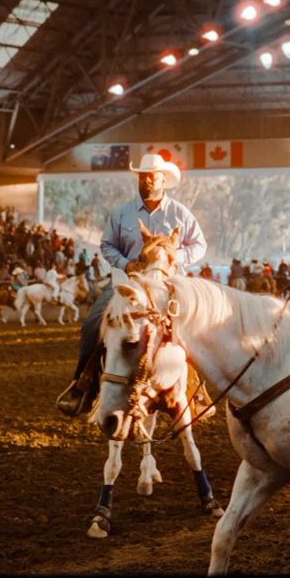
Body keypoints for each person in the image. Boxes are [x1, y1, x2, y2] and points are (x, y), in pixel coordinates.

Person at [56, 153, 207, 417]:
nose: (146, 181)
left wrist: (174, 257)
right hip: (127, 283)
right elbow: (106, 245)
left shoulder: (180, 213)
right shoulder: (122, 213)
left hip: (167, 285)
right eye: (142, 176)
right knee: (93, 326)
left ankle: (196, 390)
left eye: (151, 177)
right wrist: (126, 264)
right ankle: (83, 385)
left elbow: (199, 245)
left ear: (163, 180)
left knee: (194, 328)